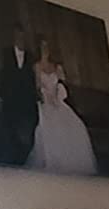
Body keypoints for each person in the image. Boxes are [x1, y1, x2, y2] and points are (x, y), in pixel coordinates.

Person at [25, 36, 97, 176]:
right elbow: (37, 86)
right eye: (42, 47)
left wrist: (58, 94)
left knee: (77, 126)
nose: (45, 50)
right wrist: (45, 96)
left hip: (58, 101)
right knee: (52, 126)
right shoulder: (37, 66)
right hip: (46, 102)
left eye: (46, 47)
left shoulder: (57, 67)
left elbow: (62, 84)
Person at [0, 24, 38, 166]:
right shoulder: (6, 53)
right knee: (10, 127)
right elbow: (3, 76)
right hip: (10, 97)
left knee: (27, 128)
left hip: (26, 98)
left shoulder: (30, 56)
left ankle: (23, 156)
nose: (20, 39)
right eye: (17, 36)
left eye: (22, 36)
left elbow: (32, 79)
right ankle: (13, 156)